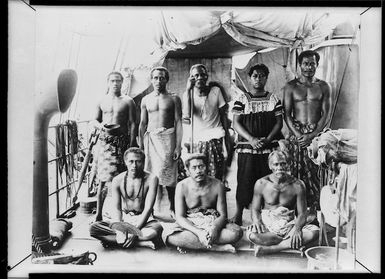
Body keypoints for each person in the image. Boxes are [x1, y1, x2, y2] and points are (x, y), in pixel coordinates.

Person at [230, 64, 284, 225]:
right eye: (255, 76)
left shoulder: (273, 99)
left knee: (267, 180)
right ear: (250, 78)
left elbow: (279, 123)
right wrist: (252, 139)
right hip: (247, 147)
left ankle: (265, 216)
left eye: (262, 76)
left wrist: (267, 139)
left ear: (267, 78)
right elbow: (236, 123)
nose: (258, 79)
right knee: (245, 179)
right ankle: (238, 214)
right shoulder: (242, 99)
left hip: (268, 146)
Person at [161, 153, 243, 253]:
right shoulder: (181, 186)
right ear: (188, 171)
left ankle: (191, 244)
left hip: (213, 220)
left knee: (236, 233)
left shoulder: (218, 185)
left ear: (207, 167)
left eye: (201, 166)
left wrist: (214, 229)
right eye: (194, 168)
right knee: (168, 236)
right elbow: (180, 217)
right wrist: (198, 232)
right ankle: (216, 247)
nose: (198, 171)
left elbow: (222, 215)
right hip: (190, 223)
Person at [282, 50, 331, 209]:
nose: (309, 67)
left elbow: (326, 114)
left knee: (317, 173)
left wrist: (313, 135)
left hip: (316, 136)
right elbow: (286, 114)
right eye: (305, 64)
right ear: (299, 65)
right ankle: (295, 209)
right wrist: (298, 135)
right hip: (297, 136)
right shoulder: (291, 87)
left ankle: (316, 210)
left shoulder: (323, 86)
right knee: (294, 173)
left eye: (312, 64)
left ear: (317, 65)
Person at [246, 150, 319, 256]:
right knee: (253, 235)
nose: (280, 167)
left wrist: (297, 229)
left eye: (283, 163)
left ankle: (272, 248)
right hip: (268, 226)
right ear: (270, 166)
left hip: (289, 225)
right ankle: (290, 243)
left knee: (315, 232)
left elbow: (302, 213)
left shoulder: (298, 185)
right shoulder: (261, 183)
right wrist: (257, 221)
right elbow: (255, 209)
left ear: (288, 164)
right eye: (276, 164)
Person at [89, 148, 163, 249]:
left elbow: (148, 208)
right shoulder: (117, 180)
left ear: (144, 162)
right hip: (124, 218)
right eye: (131, 161)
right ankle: (140, 243)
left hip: (143, 220)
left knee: (155, 231)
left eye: (138, 161)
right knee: (93, 229)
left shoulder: (152, 179)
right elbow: (117, 208)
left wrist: (136, 231)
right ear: (125, 162)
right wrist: (119, 230)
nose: (134, 165)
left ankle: (116, 241)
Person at [92, 71, 137, 222]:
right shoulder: (101, 100)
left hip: (123, 142)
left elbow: (132, 123)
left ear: (122, 82)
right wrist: (102, 126)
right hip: (106, 143)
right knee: (103, 180)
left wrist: (131, 143)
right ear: (108, 82)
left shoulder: (128, 101)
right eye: (112, 81)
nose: (115, 83)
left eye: (118, 81)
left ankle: (124, 213)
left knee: (125, 178)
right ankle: (98, 214)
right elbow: (94, 121)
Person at [138, 66, 183, 217]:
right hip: (150, 140)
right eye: (156, 78)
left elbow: (178, 122)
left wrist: (178, 146)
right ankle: (149, 209)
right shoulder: (146, 99)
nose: (158, 80)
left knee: (169, 174)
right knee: (151, 174)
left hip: (168, 138)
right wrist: (140, 145)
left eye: (162, 77)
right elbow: (143, 123)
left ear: (167, 79)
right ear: (151, 80)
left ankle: (173, 208)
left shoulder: (174, 98)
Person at [182, 64, 232, 191]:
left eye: (202, 75)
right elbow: (187, 115)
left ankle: (216, 199)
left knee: (216, 172)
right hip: (198, 140)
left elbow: (223, 116)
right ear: (191, 78)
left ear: (207, 76)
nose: (200, 78)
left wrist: (227, 138)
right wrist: (188, 90)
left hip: (215, 137)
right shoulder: (188, 94)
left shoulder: (216, 91)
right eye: (196, 75)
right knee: (199, 172)